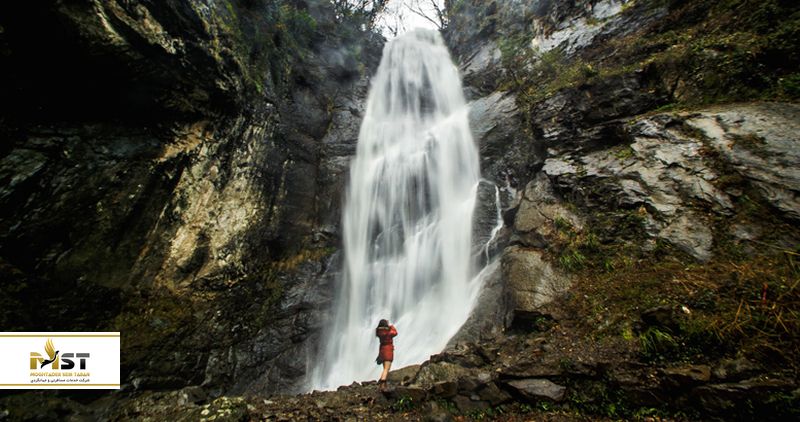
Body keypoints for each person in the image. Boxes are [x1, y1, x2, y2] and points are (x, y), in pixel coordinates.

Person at [375, 319, 397, 389]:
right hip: (388, 350)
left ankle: (382, 383)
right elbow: (395, 333)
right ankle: (382, 385)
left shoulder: (379, 332)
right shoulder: (388, 332)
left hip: (382, 350)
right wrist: (391, 326)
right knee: (386, 369)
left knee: (385, 368)